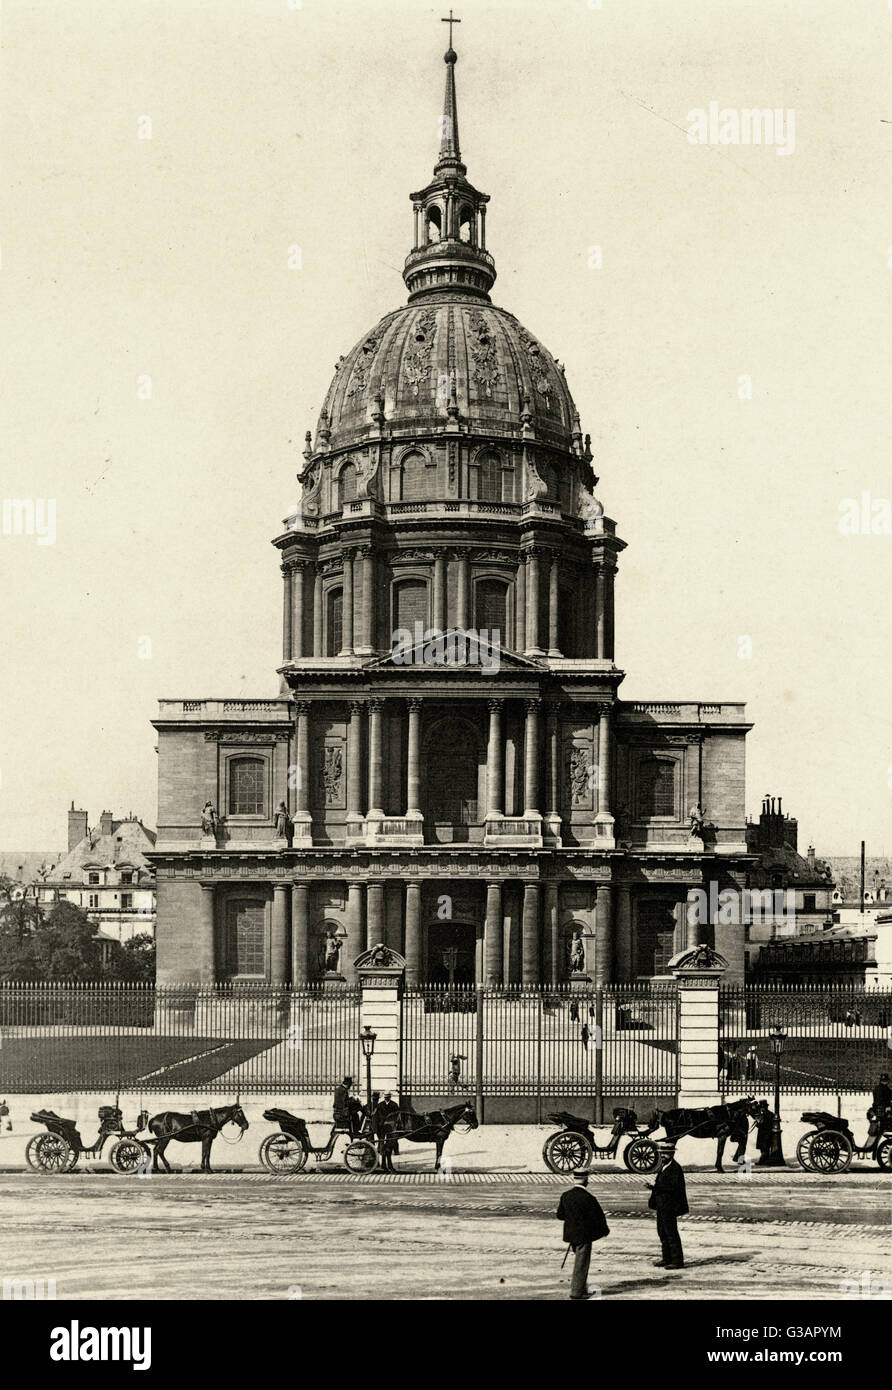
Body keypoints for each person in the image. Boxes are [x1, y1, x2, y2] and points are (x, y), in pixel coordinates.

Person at [555, 1170, 610, 1300]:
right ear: (586, 1181)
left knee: (580, 1262)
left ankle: (581, 1288)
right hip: (584, 1236)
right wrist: (604, 1231)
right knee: (581, 1263)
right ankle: (577, 1292)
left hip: (571, 1235)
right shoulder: (589, 1198)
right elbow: (598, 1217)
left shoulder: (566, 1195)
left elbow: (560, 1215)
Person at [648, 1141, 688, 1269]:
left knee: (671, 1233)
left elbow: (673, 1187)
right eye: (661, 1154)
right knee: (662, 1232)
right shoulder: (664, 1167)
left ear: (672, 1154)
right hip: (662, 1205)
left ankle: (677, 1261)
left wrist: (655, 1187)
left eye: (665, 1154)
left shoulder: (675, 1168)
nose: (663, 1156)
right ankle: (667, 1258)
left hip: (670, 1206)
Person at [375, 1091, 400, 1172]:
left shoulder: (394, 1104)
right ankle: (383, 1162)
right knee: (382, 1144)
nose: (386, 1098)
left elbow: (397, 1115)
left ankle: (395, 1151)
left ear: (390, 1097)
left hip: (391, 1127)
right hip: (382, 1127)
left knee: (391, 1143)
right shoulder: (380, 1105)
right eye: (385, 1097)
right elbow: (378, 1116)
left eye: (388, 1096)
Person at [755, 1101, 774, 1166]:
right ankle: (765, 1160)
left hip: (765, 1133)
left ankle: (762, 1161)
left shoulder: (765, 1114)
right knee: (764, 1148)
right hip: (764, 1133)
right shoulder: (769, 1113)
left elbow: (760, 1124)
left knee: (764, 1148)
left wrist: (758, 1121)